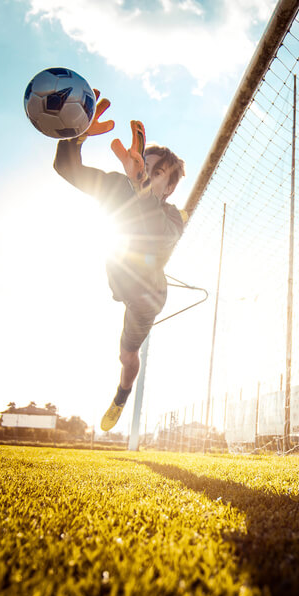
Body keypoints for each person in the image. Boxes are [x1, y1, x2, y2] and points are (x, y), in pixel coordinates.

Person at [53, 90, 189, 431]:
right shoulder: (116, 186)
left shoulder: (172, 217)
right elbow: (66, 167)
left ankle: (122, 394)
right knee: (122, 351)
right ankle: (122, 388)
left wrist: (140, 181)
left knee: (126, 356)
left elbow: (157, 235)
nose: (144, 167)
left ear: (169, 188)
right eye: (143, 160)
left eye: (157, 172)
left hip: (147, 296)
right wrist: (76, 134)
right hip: (119, 282)